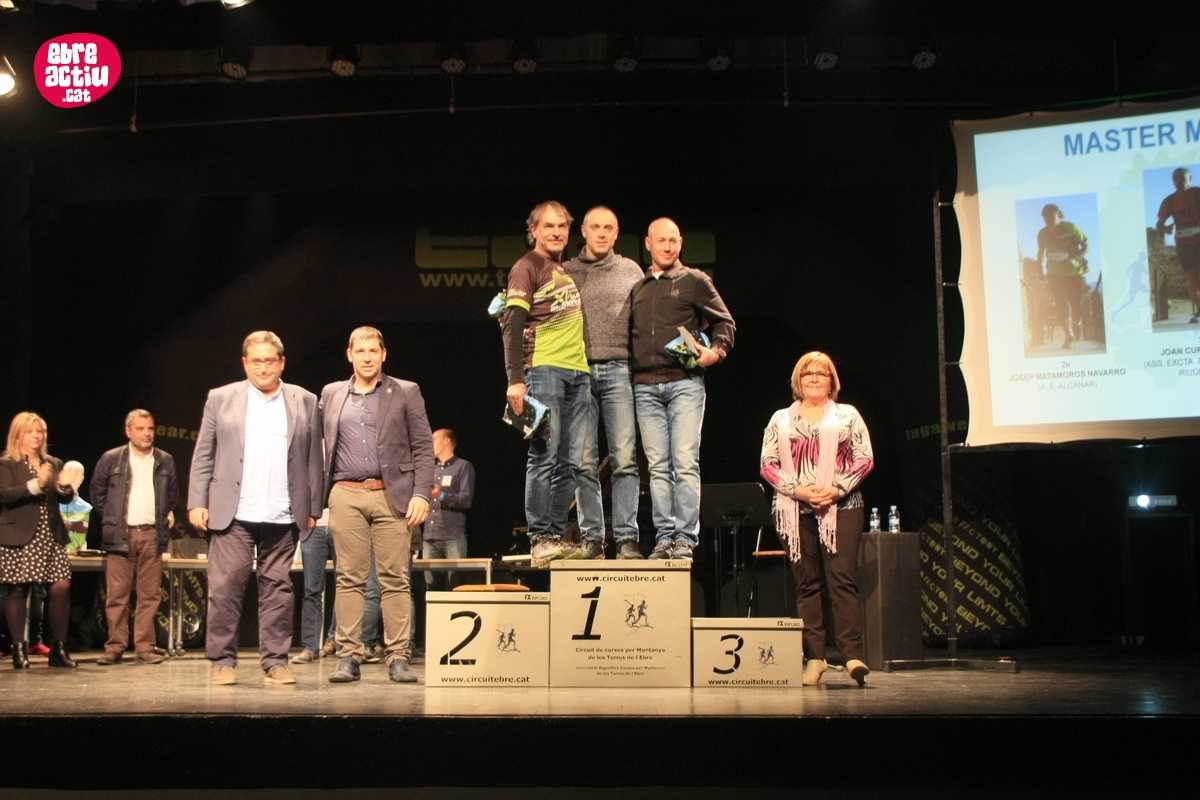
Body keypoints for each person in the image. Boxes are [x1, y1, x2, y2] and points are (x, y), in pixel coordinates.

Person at [188, 331, 322, 686]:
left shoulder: (305, 400)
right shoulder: (221, 398)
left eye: (270, 360)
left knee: (278, 590)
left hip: (283, 511)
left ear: (282, 363)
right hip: (234, 513)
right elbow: (204, 454)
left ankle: (276, 661)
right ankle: (222, 660)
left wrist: (313, 506)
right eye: (256, 361)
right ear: (245, 363)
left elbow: (313, 458)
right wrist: (197, 501)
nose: (263, 367)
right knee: (226, 587)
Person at [319, 325, 433, 684]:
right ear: (349, 354)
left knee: (395, 578)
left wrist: (421, 493)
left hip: (391, 493)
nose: (367, 357)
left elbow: (423, 446)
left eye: (373, 351)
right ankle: (348, 656)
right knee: (348, 577)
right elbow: (319, 446)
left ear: (383, 354)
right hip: (345, 493)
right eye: (360, 351)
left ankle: (398, 656)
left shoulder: (406, 391)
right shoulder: (332, 393)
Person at [759, 352, 874, 687]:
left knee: (842, 580)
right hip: (793, 509)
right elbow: (767, 463)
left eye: (821, 373)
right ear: (798, 380)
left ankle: (851, 655)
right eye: (807, 373)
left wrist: (836, 489)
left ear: (831, 380)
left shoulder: (848, 414)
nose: (813, 377)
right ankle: (816, 658)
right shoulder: (780, 419)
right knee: (807, 584)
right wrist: (799, 491)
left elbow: (865, 458)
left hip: (842, 506)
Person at [629, 217, 735, 560]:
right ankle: (664, 538)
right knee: (658, 467)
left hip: (684, 384)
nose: (668, 246)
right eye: (661, 240)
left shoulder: (694, 280)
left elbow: (725, 322)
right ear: (648, 243)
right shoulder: (638, 287)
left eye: (673, 240)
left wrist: (715, 352)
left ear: (680, 243)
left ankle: (685, 539)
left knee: (685, 462)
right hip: (645, 387)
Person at [502, 200, 591, 566]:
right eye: (549, 226)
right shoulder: (526, 266)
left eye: (562, 226)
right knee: (544, 456)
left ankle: (554, 534)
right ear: (533, 230)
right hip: (544, 369)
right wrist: (515, 379)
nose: (556, 232)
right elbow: (512, 324)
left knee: (571, 461)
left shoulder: (563, 270)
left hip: (578, 373)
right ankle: (539, 537)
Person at [564, 206, 644, 559]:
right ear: (583, 231)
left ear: (616, 232)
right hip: (577, 372)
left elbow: (645, 321)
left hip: (619, 370)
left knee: (624, 460)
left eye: (608, 227)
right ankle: (592, 538)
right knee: (583, 463)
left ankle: (626, 538)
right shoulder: (566, 272)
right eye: (594, 227)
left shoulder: (630, 270)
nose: (601, 233)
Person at [91, 409, 179, 665]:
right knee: (117, 595)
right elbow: (97, 494)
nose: (147, 434)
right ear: (128, 431)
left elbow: (172, 495)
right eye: (140, 429)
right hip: (121, 535)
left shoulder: (165, 460)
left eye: (150, 428)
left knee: (149, 595)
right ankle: (115, 646)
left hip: (152, 534)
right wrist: (114, 519)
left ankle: (144, 647)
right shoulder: (112, 459)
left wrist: (160, 518)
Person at [0, 412, 77, 669]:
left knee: (61, 586)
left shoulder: (52, 462)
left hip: (50, 534)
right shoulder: (7, 463)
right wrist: (36, 484)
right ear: (18, 435)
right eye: (30, 431)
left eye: (40, 431)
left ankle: (59, 650)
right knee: (18, 589)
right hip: (19, 535)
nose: (36, 436)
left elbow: (64, 497)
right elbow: (4, 495)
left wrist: (64, 486)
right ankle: (19, 650)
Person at [423, 428, 475, 588]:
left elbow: (466, 500)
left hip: (453, 537)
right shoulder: (430, 470)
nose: (430, 444)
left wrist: (442, 495)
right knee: (431, 589)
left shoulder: (463, 466)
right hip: (430, 538)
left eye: (434, 440)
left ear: (447, 441)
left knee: (455, 586)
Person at [1035, 203, 1088, 348]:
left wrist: (1076, 256)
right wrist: (1040, 270)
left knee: (1076, 305)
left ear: (1058, 214)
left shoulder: (1071, 227)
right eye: (1045, 218)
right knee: (1060, 306)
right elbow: (1040, 252)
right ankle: (1068, 334)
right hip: (1054, 274)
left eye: (1051, 217)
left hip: (1073, 272)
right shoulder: (1042, 233)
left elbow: (1085, 243)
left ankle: (1076, 322)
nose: (1048, 221)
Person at [291, 507, 338, 664]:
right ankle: (310, 647)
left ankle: (337, 640)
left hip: (343, 523)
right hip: (313, 526)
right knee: (311, 590)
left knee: (347, 586)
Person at [1156, 167, 1200, 324]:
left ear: (1190, 178)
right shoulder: (1168, 201)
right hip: (1183, 244)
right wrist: (1165, 228)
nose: (1179, 181)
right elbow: (1159, 224)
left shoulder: (1197, 193)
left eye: (1182, 177)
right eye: (1176, 178)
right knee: (1192, 279)